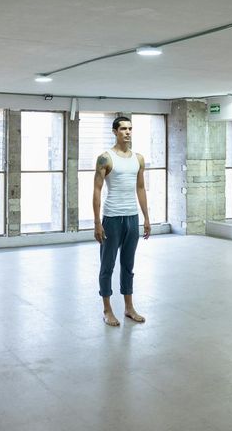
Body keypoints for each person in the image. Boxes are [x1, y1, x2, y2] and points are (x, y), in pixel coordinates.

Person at [93, 115, 151, 326]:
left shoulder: (139, 159)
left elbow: (141, 188)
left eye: (130, 129)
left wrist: (146, 217)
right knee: (107, 265)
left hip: (132, 217)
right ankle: (107, 310)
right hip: (112, 218)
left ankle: (129, 307)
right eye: (123, 129)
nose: (127, 132)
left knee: (128, 265)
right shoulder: (105, 158)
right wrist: (97, 222)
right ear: (115, 132)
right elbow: (97, 190)